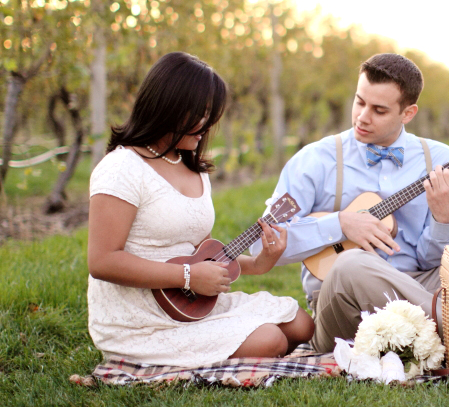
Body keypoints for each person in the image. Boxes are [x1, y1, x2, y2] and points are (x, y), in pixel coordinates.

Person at [251, 53, 449, 353]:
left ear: (408, 113)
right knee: (350, 263)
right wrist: (339, 224)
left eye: (379, 110)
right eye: (359, 101)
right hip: (346, 306)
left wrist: (444, 220)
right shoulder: (314, 160)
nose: (363, 117)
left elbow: (435, 264)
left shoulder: (439, 160)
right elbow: (260, 247)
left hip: (423, 287)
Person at [87, 51, 313, 367]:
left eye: (210, 113)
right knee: (272, 340)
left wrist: (260, 263)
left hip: (189, 302)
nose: (206, 123)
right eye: (198, 112)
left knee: (303, 325)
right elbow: (102, 261)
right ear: (167, 106)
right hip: (141, 315)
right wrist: (187, 276)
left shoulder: (194, 168)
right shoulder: (122, 168)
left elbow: (202, 254)